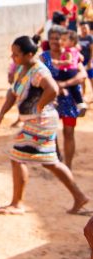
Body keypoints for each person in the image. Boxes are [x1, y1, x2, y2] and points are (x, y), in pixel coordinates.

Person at [0, 36, 88, 215]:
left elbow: (53, 89)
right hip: (37, 121)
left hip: (41, 122)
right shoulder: (23, 69)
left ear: (29, 55)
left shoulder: (38, 70)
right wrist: (2, 113)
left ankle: (17, 203)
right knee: (51, 162)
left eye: (16, 54)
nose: (13, 57)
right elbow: (12, 93)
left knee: (17, 157)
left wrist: (39, 106)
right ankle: (79, 196)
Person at [41, 26, 87, 169]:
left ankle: (68, 166)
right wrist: (56, 87)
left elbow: (82, 75)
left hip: (69, 100)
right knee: (51, 132)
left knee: (69, 132)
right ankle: (56, 157)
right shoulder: (44, 57)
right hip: (51, 99)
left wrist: (64, 84)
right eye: (52, 38)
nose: (55, 41)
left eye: (58, 38)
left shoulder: (71, 54)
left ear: (64, 40)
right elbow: (40, 77)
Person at [51, 29, 87, 116]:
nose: (61, 41)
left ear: (72, 42)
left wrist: (58, 62)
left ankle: (54, 101)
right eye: (61, 39)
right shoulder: (75, 50)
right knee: (74, 89)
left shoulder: (67, 51)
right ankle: (80, 104)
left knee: (53, 82)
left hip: (66, 71)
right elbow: (81, 58)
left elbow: (69, 61)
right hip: (73, 72)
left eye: (64, 40)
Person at [78, 22, 93, 96]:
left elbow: (92, 50)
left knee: (91, 78)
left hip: (88, 60)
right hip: (80, 62)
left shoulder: (90, 38)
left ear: (88, 29)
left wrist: (90, 62)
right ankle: (83, 95)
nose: (84, 30)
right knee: (82, 78)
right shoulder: (78, 38)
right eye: (82, 28)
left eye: (86, 28)